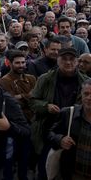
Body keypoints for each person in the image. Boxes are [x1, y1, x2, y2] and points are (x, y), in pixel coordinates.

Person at [31, 47, 90, 179]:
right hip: (47, 131)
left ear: (77, 62)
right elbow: (32, 101)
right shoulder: (45, 79)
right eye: (64, 59)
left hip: (74, 134)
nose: (68, 63)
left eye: (72, 60)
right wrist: (46, 106)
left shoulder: (85, 82)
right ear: (57, 60)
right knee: (46, 170)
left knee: (69, 170)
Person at [0, 50, 36, 180]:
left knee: (25, 158)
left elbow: (36, 98)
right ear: (10, 63)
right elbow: (12, 103)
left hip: (29, 124)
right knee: (9, 158)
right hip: (13, 126)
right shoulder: (4, 81)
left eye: (23, 62)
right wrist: (27, 96)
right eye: (17, 63)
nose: (21, 65)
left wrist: (21, 96)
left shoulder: (31, 79)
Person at [48, 79, 91, 180]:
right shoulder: (68, 113)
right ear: (81, 94)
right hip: (74, 174)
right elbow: (49, 133)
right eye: (86, 93)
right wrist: (60, 139)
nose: (89, 97)